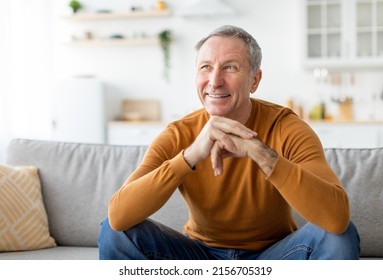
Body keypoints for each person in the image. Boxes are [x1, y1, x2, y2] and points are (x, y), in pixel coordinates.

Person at [98, 25, 360, 260]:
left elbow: (337, 219)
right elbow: (118, 216)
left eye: (230, 67)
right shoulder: (178, 134)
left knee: (338, 236)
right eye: (205, 67)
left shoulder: (287, 127)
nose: (214, 81)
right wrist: (189, 157)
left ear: (254, 80)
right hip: (198, 258)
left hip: (273, 257)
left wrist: (262, 154)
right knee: (114, 231)